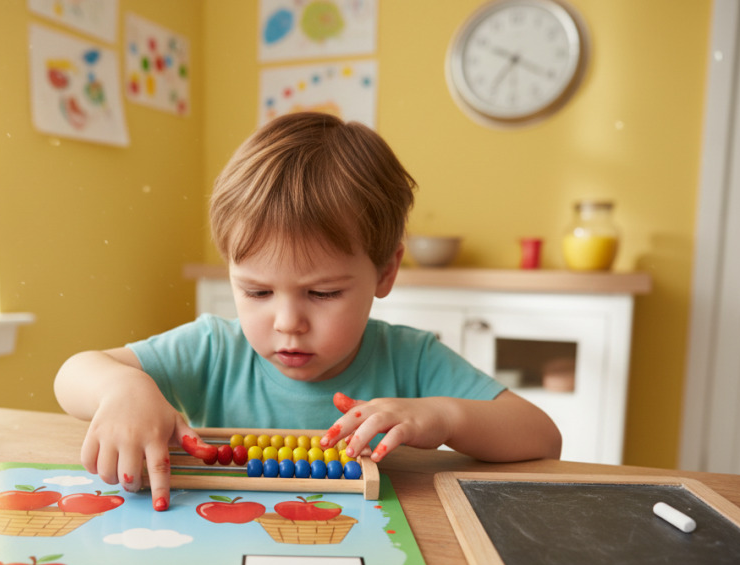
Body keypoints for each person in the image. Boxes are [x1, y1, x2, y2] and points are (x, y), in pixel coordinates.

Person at [55, 112, 561, 511]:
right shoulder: (213, 350)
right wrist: (123, 388)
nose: (287, 322)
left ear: (385, 272)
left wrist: (445, 415)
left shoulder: (409, 358)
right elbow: (73, 373)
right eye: (256, 292)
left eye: (322, 294)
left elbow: (541, 436)